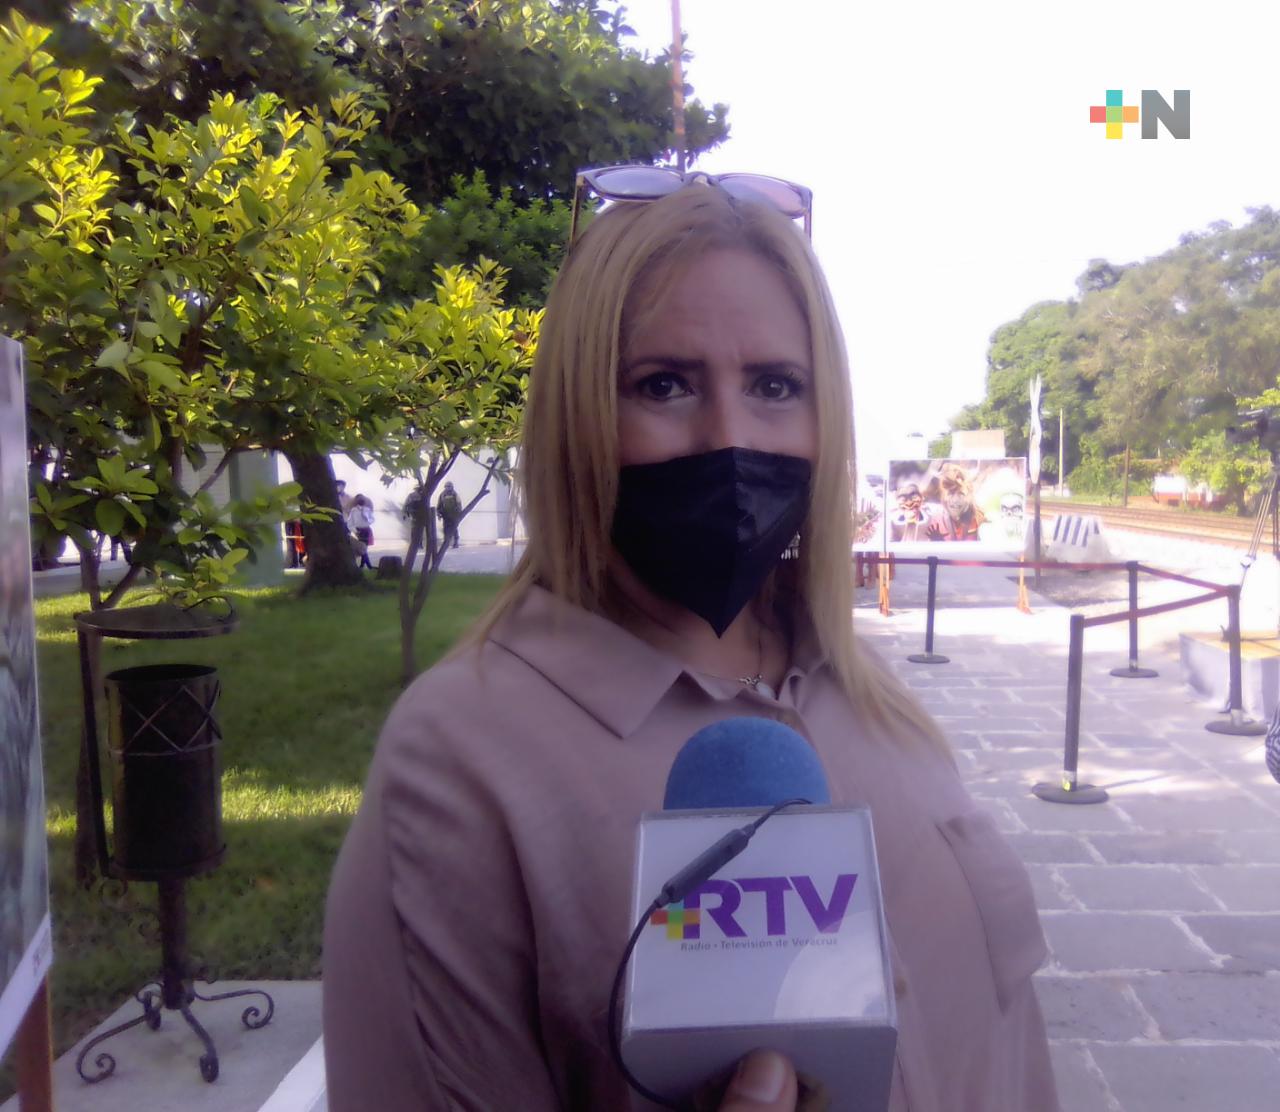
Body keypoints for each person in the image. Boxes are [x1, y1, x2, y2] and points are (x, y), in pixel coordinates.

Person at [323, 174, 1058, 1111]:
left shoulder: (862, 686)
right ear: (576, 417)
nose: (728, 438)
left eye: (775, 386)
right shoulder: (458, 767)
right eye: (663, 385)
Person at [346, 493, 375, 570]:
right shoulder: (354, 511)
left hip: (366, 530)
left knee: (364, 548)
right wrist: (354, 530)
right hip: (359, 530)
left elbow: (372, 519)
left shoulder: (367, 510)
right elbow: (350, 522)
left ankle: (364, 566)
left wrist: (367, 518)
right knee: (362, 548)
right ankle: (368, 566)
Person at [436, 481, 463, 548]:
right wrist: (438, 513)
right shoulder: (442, 495)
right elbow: (439, 505)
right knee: (446, 529)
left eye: (449, 486)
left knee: (454, 528)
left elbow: (459, 504)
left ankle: (456, 542)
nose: (447, 488)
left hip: (454, 515)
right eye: (446, 486)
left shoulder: (455, 494)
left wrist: (458, 513)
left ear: (452, 487)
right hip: (445, 515)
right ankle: (446, 543)